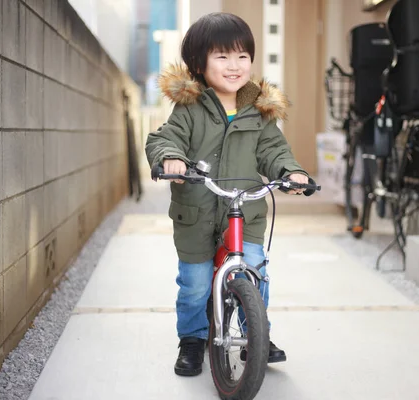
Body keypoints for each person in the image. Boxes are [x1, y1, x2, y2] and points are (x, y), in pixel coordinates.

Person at [145, 12, 311, 377]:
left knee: (256, 272)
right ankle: (192, 339)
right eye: (222, 57)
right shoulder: (190, 108)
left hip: (245, 213)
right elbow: (164, 138)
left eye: (242, 56)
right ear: (200, 63)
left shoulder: (259, 112)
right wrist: (171, 159)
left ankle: (257, 334)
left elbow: (274, 150)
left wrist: (291, 172)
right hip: (197, 213)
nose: (234, 66)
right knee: (195, 284)